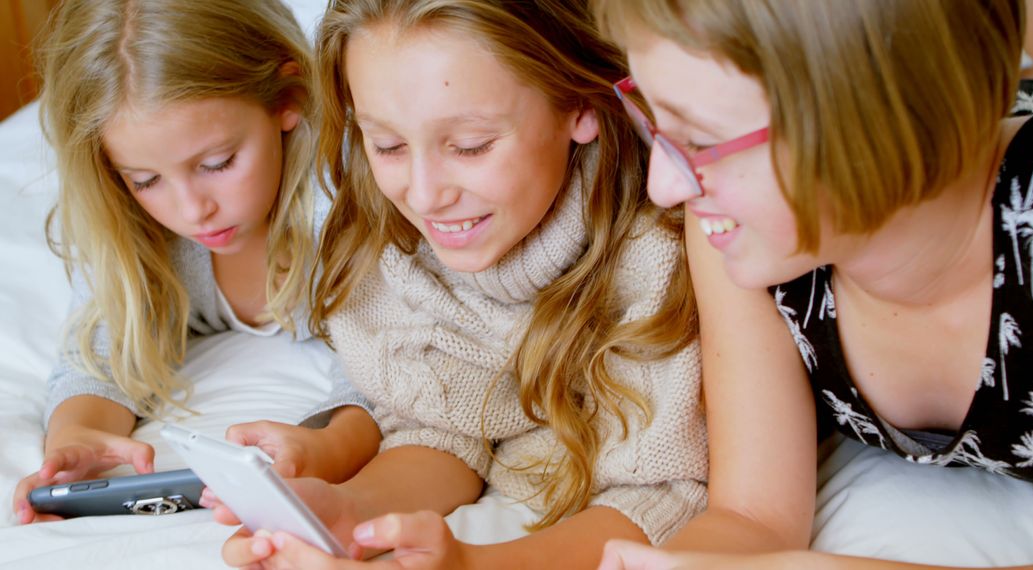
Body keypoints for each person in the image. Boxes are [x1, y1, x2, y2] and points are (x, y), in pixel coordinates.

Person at [212, 0, 707, 567]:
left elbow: (665, 498)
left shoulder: (660, 256)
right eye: (388, 145)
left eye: (470, 145)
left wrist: (471, 563)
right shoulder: (397, 242)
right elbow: (443, 425)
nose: (424, 196)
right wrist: (351, 511)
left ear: (578, 105)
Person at [590, 0, 1033, 568]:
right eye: (655, 123)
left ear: (873, 129)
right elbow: (753, 519)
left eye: (699, 140)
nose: (663, 188)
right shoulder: (737, 234)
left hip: (1026, 128)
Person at [11, 0, 379, 525]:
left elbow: (392, 365)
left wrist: (332, 444)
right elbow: (101, 349)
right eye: (145, 179)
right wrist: (75, 438)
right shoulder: (132, 220)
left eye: (217, 164)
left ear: (288, 99)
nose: (191, 210)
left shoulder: (343, 197)